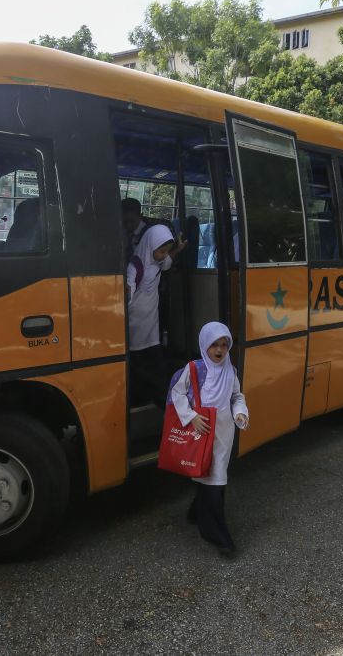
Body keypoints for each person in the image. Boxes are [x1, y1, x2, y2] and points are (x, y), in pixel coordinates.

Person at [169, 321, 249, 557]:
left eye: (224, 345)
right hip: (201, 433)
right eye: (214, 345)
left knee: (213, 478)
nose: (219, 350)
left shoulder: (230, 371)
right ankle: (218, 535)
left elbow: (236, 396)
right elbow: (176, 392)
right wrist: (191, 416)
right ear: (205, 344)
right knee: (213, 481)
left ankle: (197, 513)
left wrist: (240, 412)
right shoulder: (195, 369)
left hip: (223, 435)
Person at [127, 224, 186, 406]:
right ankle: (148, 399)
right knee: (139, 363)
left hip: (151, 325)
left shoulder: (158, 261)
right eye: (161, 251)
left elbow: (167, 262)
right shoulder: (135, 266)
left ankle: (158, 398)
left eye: (165, 251)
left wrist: (177, 249)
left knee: (153, 360)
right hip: (134, 325)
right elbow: (127, 293)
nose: (163, 256)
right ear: (150, 247)